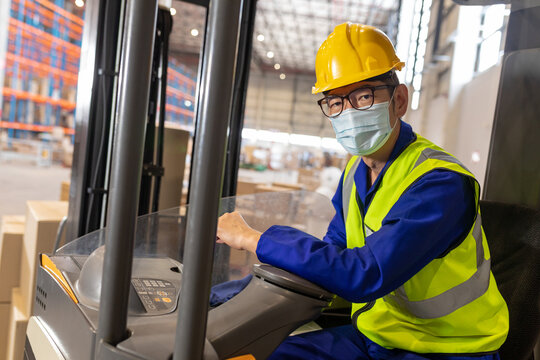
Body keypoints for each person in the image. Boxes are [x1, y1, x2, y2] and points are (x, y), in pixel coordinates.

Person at [216, 22, 509, 359]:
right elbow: (334, 253)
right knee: (254, 353)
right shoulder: (355, 170)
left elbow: (364, 273)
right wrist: (227, 296)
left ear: (399, 100)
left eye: (363, 96)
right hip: (377, 335)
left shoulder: (439, 183)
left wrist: (254, 239)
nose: (348, 111)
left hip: (446, 349)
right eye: (335, 102)